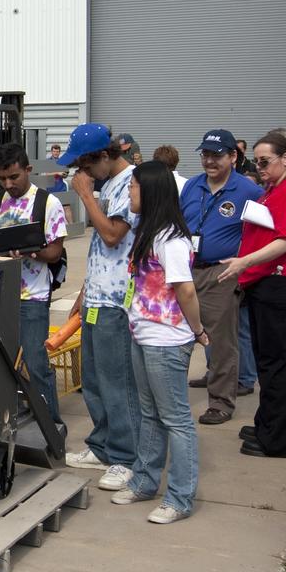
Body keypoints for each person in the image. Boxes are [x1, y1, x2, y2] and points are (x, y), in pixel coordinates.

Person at [111, 161, 206, 525]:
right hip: (144, 334)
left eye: (133, 187)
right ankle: (145, 480)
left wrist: (198, 331)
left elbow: (186, 290)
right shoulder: (146, 232)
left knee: (176, 419)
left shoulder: (171, 239)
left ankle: (180, 498)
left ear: (149, 191)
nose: (129, 193)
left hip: (167, 341)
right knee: (150, 413)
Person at [218, 132, 286, 459]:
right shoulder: (276, 189)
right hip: (265, 283)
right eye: (255, 161)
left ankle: (283, 439)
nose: (258, 167)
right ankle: (269, 424)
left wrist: (244, 261)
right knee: (267, 361)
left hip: (282, 283)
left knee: (279, 362)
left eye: (264, 161)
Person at [59, 123, 139, 492]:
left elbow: (111, 234)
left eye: (86, 166)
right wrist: (84, 291)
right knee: (91, 377)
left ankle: (126, 456)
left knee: (115, 380)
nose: (83, 174)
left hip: (117, 301)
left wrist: (86, 197)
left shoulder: (132, 185)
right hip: (97, 296)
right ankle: (103, 443)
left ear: (105, 156)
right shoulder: (108, 184)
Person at [0, 143, 67, 424]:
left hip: (33, 296)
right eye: (2, 179)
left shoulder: (48, 203)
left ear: (28, 170)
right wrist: (3, 246)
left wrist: (29, 249)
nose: (8, 184)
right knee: (1, 363)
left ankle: (51, 426)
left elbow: (55, 252)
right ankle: (7, 416)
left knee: (36, 364)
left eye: (14, 177)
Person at [181, 129, 265, 424]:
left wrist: (245, 265)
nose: (210, 161)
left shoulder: (249, 191)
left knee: (221, 340)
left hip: (221, 271)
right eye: (205, 155)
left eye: (216, 155)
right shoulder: (192, 186)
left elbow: (263, 233)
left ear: (233, 157)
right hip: (187, 269)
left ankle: (221, 403)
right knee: (181, 334)